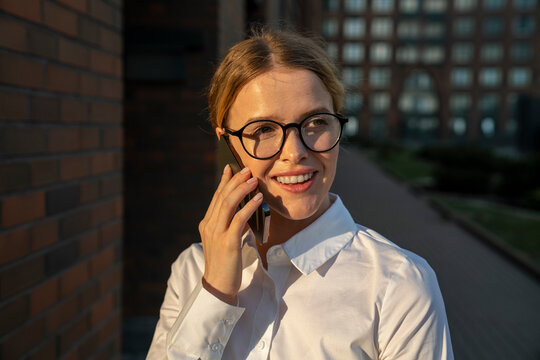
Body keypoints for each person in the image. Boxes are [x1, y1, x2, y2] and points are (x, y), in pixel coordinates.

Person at [147, 28, 453, 360]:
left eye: (316, 122)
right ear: (226, 146)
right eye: (263, 129)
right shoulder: (193, 269)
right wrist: (216, 292)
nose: (294, 152)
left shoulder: (399, 284)